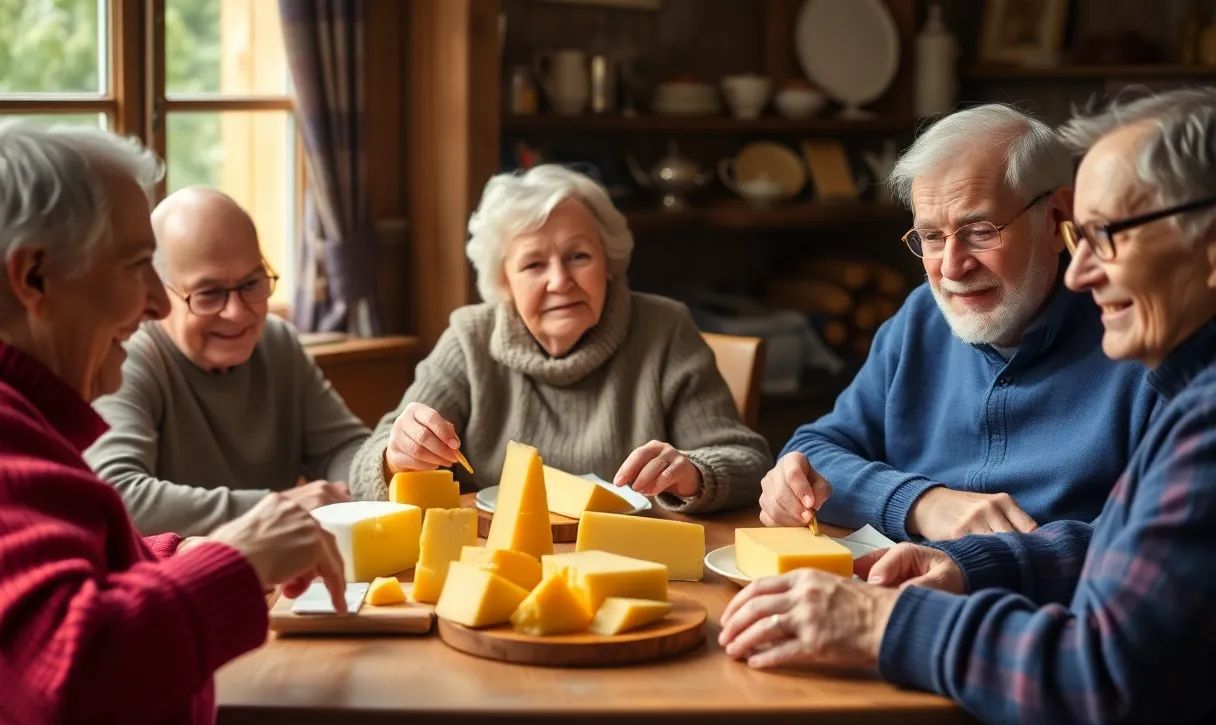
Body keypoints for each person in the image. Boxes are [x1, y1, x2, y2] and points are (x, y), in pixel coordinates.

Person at [720, 87, 1216, 725]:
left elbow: (1098, 682)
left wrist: (879, 624)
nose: (1084, 272)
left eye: (1106, 235)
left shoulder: (1176, 391)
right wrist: (962, 548)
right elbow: (1124, 549)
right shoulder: (1182, 382)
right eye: (929, 236)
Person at [0, 121, 346, 725]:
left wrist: (175, 553)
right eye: (136, 267)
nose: (157, 306)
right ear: (33, 277)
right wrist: (237, 558)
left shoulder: (33, 423)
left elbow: (72, 600)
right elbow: (70, 681)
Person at [761, 104, 1157, 542]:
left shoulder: (1141, 341)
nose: (951, 268)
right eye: (931, 236)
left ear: (1057, 217)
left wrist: (970, 564)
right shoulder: (921, 319)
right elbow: (813, 453)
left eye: (981, 230)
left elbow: (1145, 543)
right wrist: (920, 503)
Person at [350, 164, 770, 512]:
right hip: (496, 559)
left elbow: (749, 461)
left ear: (609, 262)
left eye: (578, 256)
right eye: (533, 264)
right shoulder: (470, 337)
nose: (559, 281)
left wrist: (693, 472)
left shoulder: (665, 329)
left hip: (632, 563)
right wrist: (395, 456)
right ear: (504, 282)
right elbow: (364, 469)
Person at [85, 186, 369, 537]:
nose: (236, 313)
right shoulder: (128, 359)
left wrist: (378, 469)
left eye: (252, 283)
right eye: (208, 294)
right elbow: (117, 496)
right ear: (156, 295)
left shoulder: (277, 342)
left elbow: (344, 448)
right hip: (179, 581)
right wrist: (275, 508)